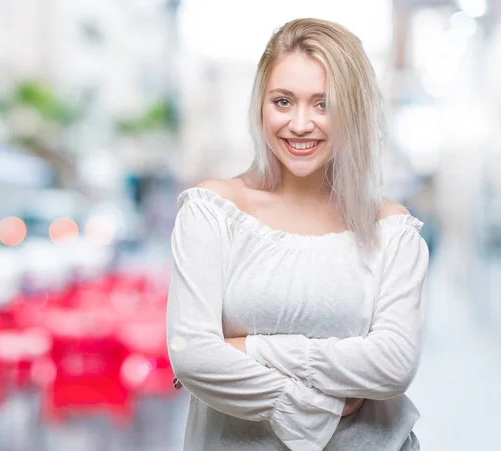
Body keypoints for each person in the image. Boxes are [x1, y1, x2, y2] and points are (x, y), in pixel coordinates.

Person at [167, 18, 429, 451]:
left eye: (323, 104)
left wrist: (247, 348)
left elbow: (394, 365)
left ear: (354, 110)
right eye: (283, 101)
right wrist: (316, 405)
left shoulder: (390, 228)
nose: (301, 124)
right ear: (261, 107)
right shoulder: (212, 211)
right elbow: (194, 356)